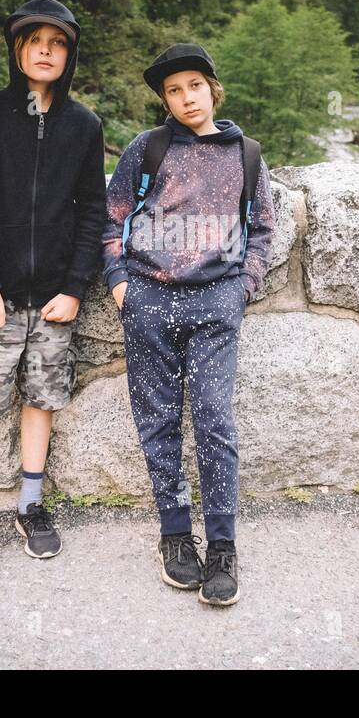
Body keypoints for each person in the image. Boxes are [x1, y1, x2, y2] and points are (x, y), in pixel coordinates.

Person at [102, 42, 275, 605]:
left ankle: (222, 546)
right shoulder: (145, 150)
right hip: (148, 300)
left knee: (214, 421)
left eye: (194, 86)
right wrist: (120, 283)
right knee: (158, 423)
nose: (186, 98)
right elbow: (111, 221)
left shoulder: (245, 154)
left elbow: (263, 232)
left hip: (216, 307)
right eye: (173, 91)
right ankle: (176, 536)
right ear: (165, 101)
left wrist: (243, 287)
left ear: (212, 88)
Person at [0, 0, 106, 577]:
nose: (46, 51)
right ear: (17, 50)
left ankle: (31, 504)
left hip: (56, 299)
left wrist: (75, 288)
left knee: (42, 399)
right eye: (35, 40)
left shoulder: (84, 125)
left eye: (58, 42)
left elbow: (93, 211)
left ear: (70, 54)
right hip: (0, 296)